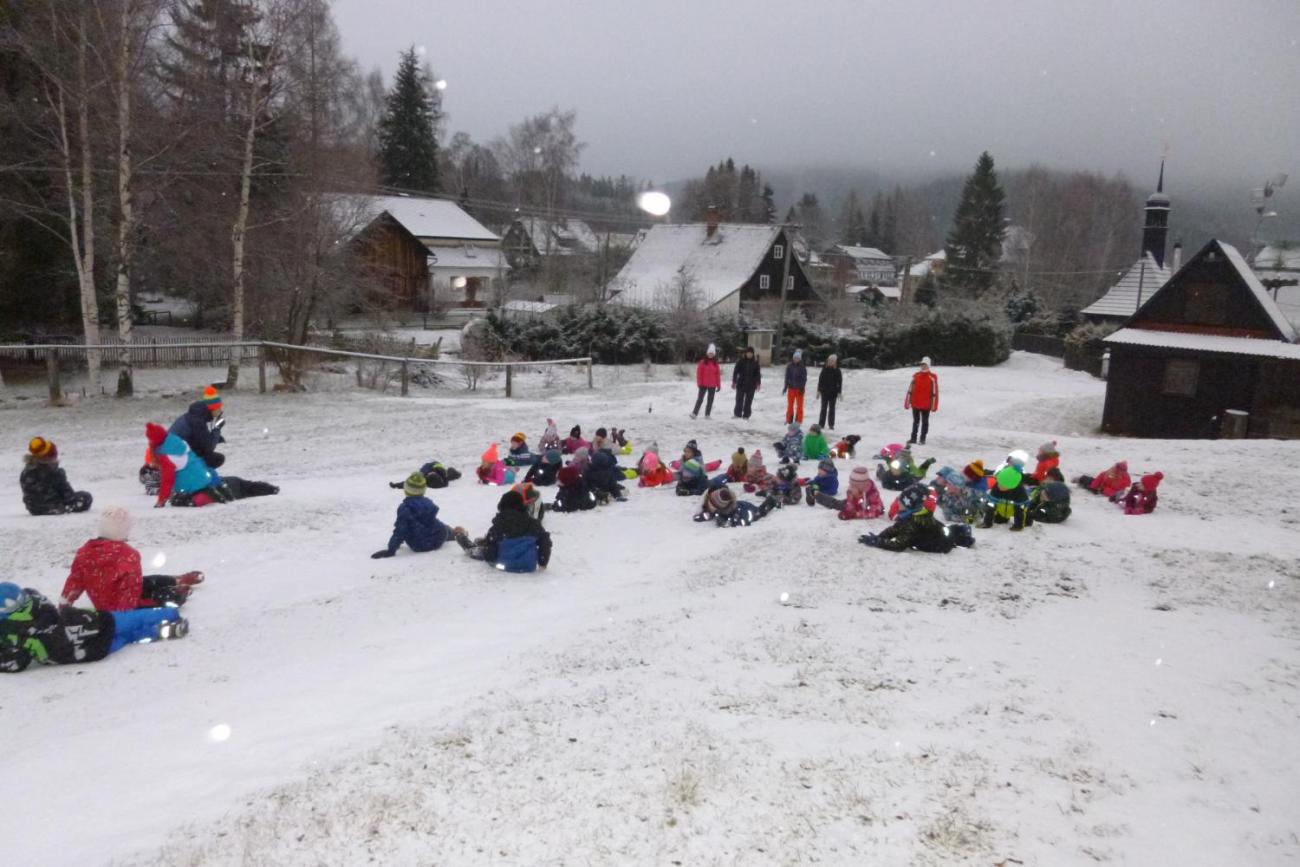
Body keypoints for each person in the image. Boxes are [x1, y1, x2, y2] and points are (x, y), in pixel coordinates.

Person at [1, 582, 187, 673]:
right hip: (90, 630)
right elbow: (15, 662)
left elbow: (16, 663)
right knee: (129, 624)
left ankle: (162, 627)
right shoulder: (34, 608)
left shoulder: (19, 624)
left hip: (87, 645)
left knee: (129, 635)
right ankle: (166, 619)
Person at [61, 507, 204, 610]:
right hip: (124, 606)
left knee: (147, 581)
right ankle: (179, 591)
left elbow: (74, 582)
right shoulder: (128, 555)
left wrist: (64, 605)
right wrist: (129, 613)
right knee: (164, 595)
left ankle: (176, 580)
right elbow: (131, 589)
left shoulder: (85, 552)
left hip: (103, 601)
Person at [452, 490, 552, 573]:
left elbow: (491, 554)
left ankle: (460, 536)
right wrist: (543, 563)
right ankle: (480, 541)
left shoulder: (500, 525)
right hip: (528, 565)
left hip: (504, 565)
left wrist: (488, 553)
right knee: (492, 541)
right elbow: (545, 542)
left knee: (476, 549)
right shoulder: (533, 524)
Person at [859, 483, 974, 554]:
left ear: (909, 506)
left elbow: (899, 545)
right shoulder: (911, 516)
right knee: (944, 531)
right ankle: (958, 531)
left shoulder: (912, 522)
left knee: (949, 538)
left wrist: (879, 542)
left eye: (901, 502)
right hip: (936, 531)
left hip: (939, 544)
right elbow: (895, 529)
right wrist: (879, 536)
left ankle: (963, 536)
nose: (898, 503)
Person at [146, 422, 231, 507]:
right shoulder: (176, 442)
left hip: (191, 486)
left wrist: (161, 500)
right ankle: (214, 493)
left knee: (177, 501)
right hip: (203, 479)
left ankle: (203, 498)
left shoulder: (166, 456)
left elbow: (167, 480)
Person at [371, 472, 449, 558]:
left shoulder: (405, 508)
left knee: (408, 526)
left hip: (420, 545)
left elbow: (400, 531)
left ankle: (452, 532)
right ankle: (454, 533)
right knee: (438, 525)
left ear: (406, 490)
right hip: (439, 538)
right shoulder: (428, 502)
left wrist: (391, 550)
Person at [20, 437, 92, 515]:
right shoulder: (53, 472)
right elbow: (68, 495)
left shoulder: (26, 472)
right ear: (49, 457)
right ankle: (62, 508)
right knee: (86, 497)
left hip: (34, 509)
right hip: (55, 506)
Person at [168, 385, 226, 469]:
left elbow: (200, 440)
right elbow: (208, 448)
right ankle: (201, 477)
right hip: (173, 456)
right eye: (219, 408)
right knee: (216, 459)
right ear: (212, 409)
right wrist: (217, 428)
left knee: (206, 454)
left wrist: (214, 437)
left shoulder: (196, 415)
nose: (221, 411)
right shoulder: (197, 421)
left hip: (172, 450)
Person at [982, 451, 1032, 531]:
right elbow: (991, 504)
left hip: (1017, 507)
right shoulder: (998, 485)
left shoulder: (1019, 489)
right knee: (997, 518)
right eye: (999, 483)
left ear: (1011, 486)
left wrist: (1018, 525)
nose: (1000, 487)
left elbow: (1022, 508)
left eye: (1003, 485)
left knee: (1022, 514)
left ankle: (1025, 522)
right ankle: (1002, 517)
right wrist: (987, 522)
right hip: (1004, 506)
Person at [813, 465, 885, 520]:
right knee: (838, 504)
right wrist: (847, 512)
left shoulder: (872, 492)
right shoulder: (851, 490)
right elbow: (849, 505)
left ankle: (816, 495)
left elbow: (875, 511)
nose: (851, 487)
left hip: (867, 507)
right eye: (851, 484)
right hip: (856, 504)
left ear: (861, 485)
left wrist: (856, 514)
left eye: (854, 485)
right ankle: (816, 494)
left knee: (840, 504)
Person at [692, 485, 776, 527]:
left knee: (760, 512)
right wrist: (701, 516)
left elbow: (742, 522)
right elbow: (708, 515)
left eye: (712, 503)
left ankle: (771, 499)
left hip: (748, 510)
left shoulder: (735, 513)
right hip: (736, 504)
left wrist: (727, 523)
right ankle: (767, 494)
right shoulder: (720, 509)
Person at [904, 357, 939, 446]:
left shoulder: (932, 378)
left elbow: (935, 392)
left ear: (928, 366)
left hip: (926, 405)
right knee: (915, 421)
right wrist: (907, 402)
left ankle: (922, 439)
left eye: (925, 365)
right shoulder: (916, 376)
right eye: (922, 365)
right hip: (915, 403)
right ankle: (913, 438)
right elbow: (910, 390)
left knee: (925, 422)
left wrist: (934, 405)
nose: (923, 366)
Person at [691, 344, 722, 419]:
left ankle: (707, 414)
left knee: (710, 400)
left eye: (712, 353)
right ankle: (694, 413)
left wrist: (718, 385)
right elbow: (699, 373)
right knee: (700, 399)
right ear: (707, 353)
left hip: (713, 385)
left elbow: (717, 375)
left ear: (714, 354)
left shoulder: (716, 363)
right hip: (703, 384)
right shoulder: (702, 362)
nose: (710, 355)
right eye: (709, 353)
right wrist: (699, 383)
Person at [731, 346, 761, 420]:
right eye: (748, 353)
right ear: (746, 353)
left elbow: (758, 374)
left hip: (751, 385)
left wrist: (758, 383)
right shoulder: (740, 361)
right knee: (739, 400)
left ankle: (746, 415)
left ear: (753, 354)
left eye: (751, 353)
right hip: (741, 383)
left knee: (748, 401)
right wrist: (734, 381)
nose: (749, 354)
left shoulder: (755, 363)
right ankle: (737, 414)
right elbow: (735, 371)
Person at [816, 355, 843, 431]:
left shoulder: (837, 371)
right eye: (829, 361)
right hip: (824, 392)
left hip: (833, 393)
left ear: (835, 362)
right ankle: (821, 424)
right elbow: (820, 381)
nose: (830, 362)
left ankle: (831, 424)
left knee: (832, 409)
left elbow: (839, 382)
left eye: (832, 361)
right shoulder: (824, 370)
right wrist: (818, 390)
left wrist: (839, 392)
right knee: (823, 408)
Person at [783, 349, 808, 424]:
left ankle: (798, 420)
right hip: (791, 388)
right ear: (793, 358)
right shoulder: (789, 366)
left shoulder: (802, 367)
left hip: (799, 389)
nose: (796, 359)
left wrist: (802, 387)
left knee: (799, 406)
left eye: (797, 358)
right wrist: (785, 387)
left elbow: (804, 379)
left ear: (800, 359)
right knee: (790, 405)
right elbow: (787, 377)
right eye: (795, 358)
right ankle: (789, 419)